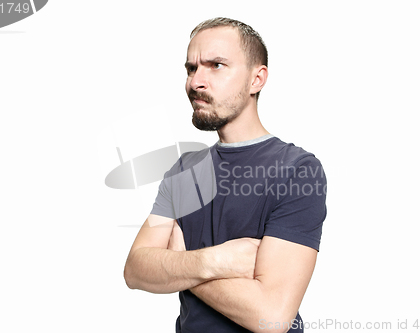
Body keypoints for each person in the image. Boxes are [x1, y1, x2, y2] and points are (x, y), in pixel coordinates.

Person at [124, 17, 327, 333]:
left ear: (256, 79)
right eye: (191, 68)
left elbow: (271, 316)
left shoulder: (296, 170)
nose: (196, 82)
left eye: (216, 65)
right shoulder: (185, 171)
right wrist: (212, 262)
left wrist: (179, 263)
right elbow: (136, 269)